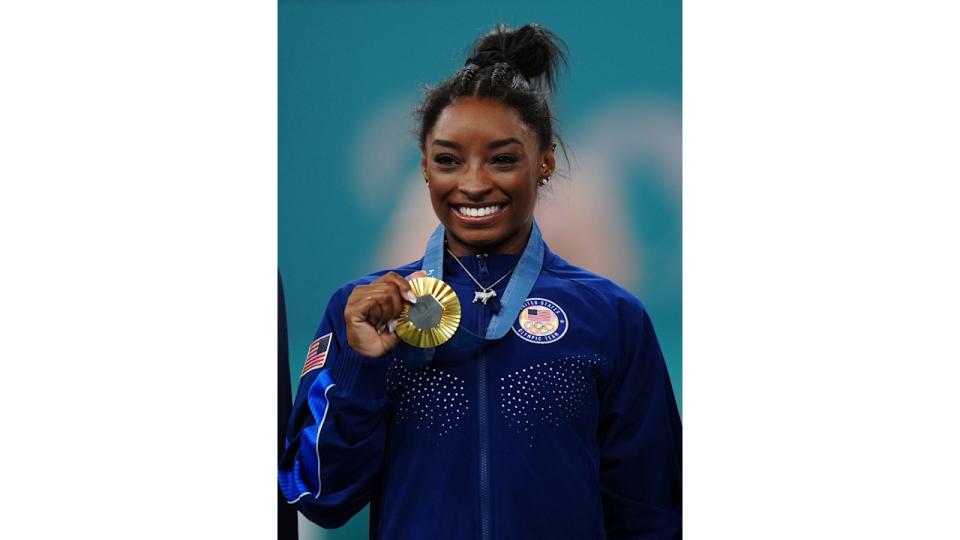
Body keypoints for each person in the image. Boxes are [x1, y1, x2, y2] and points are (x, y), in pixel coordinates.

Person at [279, 23, 682, 539]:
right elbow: (318, 497)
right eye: (448, 160)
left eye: (503, 159)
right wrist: (362, 367)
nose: (473, 183)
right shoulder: (362, 311)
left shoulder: (612, 317)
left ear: (545, 162)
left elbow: (654, 514)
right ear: (424, 167)